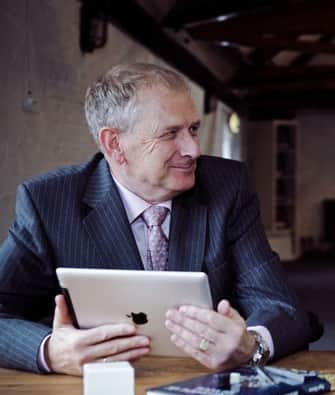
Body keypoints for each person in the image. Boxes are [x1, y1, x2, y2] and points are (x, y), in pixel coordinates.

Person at [0, 63, 312, 375]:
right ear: (114, 144)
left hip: (207, 392)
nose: (193, 149)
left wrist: (252, 344)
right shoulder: (48, 203)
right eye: (170, 133)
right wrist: (50, 351)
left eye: (193, 129)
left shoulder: (227, 187)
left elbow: (281, 308)